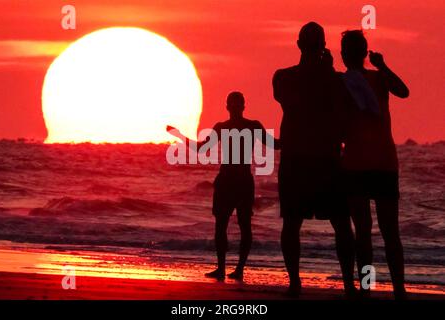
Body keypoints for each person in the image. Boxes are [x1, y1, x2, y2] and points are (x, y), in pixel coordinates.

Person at [272, 22, 356, 297]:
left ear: (298, 45)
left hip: (300, 159)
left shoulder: (284, 77)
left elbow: (290, 97)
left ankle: (295, 282)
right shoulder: (333, 79)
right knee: (341, 222)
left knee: (293, 222)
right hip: (325, 158)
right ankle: (347, 284)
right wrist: (327, 70)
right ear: (322, 47)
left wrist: (324, 70)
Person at [168, 92, 280, 281]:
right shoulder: (229, 127)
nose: (235, 108)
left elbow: (276, 145)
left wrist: (178, 135)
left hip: (239, 181)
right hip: (229, 181)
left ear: (240, 107)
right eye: (234, 105)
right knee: (223, 226)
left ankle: (237, 269)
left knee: (241, 226)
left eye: (237, 105)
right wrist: (179, 135)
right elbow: (202, 149)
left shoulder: (250, 126)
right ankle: (223, 268)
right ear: (229, 107)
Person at [340, 30, 409, 299]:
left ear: (350, 53)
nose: (345, 54)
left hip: (367, 164)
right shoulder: (361, 80)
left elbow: (404, 92)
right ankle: (395, 288)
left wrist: (381, 66)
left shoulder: (369, 79)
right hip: (374, 163)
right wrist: (382, 66)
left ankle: (374, 287)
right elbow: (403, 91)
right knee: (384, 231)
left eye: (346, 49)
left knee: (367, 232)